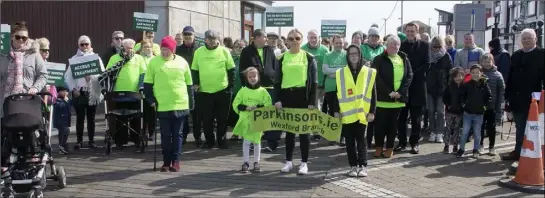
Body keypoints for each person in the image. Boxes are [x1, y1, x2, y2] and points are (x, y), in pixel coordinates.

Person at [0, 21, 48, 166]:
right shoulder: (2, 55)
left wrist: (35, 87)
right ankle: (5, 162)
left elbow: (43, 75)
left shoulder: (34, 55)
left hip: (27, 99)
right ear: (12, 37)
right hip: (6, 100)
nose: (21, 40)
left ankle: (31, 158)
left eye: (24, 38)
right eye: (18, 37)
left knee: (29, 130)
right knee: (5, 133)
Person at [144, 36, 193, 172]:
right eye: (162, 49)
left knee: (177, 134)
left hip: (180, 104)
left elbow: (189, 84)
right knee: (165, 135)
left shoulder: (182, 62)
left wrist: (191, 102)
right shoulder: (154, 63)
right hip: (162, 105)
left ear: (173, 50)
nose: (164, 52)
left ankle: (175, 161)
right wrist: (151, 100)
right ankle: (166, 161)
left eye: (167, 50)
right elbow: (147, 85)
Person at [274, 28, 317, 175]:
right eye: (291, 39)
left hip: (303, 97)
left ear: (302, 40)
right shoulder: (281, 58)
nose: (294, 41)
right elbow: (277, 81)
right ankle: (289, 162)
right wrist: (277, 99)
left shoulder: (309, 57)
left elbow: (314, 83)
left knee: (304, 133)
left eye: (297, 38)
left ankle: (304, 163)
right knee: (290, 132)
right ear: (287, 41)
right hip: (287, 96)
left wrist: (312, 102)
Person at [332, 44, 376, 177]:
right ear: (347, 56)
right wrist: (335, 110)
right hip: (347, 113)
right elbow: (336, 93)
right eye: (351, 54)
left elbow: (373, 93)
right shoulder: (341, 73)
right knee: (349, 142)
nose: (353, 56)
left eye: (356, 53)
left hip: (363, 113)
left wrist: (372, 111)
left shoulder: (368, 72)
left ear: (360, 54)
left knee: (361, 141)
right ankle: (353, 166)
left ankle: (363, 166)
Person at [502, 28, 545, 161]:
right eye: (524, 38)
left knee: (535, 128)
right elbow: (510, 77)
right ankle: (519, 152)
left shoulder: (542, 54)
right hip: (517, 99)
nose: (526, 40)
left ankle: (535, 154)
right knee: (520, 127)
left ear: (535, 39)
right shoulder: (515, 55)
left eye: (529, 38)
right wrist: (507, 97)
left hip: (535, 100)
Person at [191, 30, 235, 149]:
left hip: (222, 90)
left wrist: (230, 87)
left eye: (214, 38)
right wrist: (196, 83)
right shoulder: (199, 52)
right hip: (204, 91)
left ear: (218, 39)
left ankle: (221, 140)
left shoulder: (224, 51)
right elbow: (194, 70)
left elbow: (231, 70)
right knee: (207, 119)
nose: (211, 41)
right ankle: (209, 141)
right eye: (209, 38)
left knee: (222, 118)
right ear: (205, 39)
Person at [371, 35, 413, 158]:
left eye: (397, 44)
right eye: (392, 44)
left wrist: (400, 91)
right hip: (382, 99)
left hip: (398, 100)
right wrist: (389, 91)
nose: (395, 46)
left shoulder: (403, 58)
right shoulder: (379, 59)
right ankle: (379, 147)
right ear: (386, 45)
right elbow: (376, 77)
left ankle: (389, 148)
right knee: (380, 125)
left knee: (392, 126)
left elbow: (409, 75)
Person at [239, 29, 280, 151]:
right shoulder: (246, 51)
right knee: (255, 115)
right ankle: (252, 141)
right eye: (265, 37)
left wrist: (274, 79)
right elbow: (242, 70)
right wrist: (247, 87)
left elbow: (275, 66)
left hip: (270, 88)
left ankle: (271, 143)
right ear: (256, 38)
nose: (267, 39)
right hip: (254, 89)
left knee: (271, 116)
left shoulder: (269, 50)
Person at [103, 38, 147, 148]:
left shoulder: (139, 58)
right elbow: (108, 73)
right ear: (123, 48)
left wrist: (141, 86)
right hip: (118, 93)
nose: (130, 50)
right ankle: (120, 140)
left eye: (132, 48)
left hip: (134, 93)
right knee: (119, 117)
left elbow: (143, 74)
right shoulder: (114, 58)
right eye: (128, 48)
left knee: (136, 116)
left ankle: (136, 138)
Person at [63, 35, 104, 150]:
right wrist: (73, 89)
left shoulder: (96, 58)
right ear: (78, 45)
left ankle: (91, 141)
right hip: (79, 92)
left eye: (87, 44)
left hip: (92, 91)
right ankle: (79, 141)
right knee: (80, 118)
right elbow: (68, 77)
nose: (85, 46)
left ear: (91, 45)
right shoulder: (74, 59)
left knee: (91, 118)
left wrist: (92, 78)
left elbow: (102, 74)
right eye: (82, 44)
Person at [395, 22, 430, 154]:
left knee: (416, 118)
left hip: (418, 86)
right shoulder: (401, 46)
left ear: (417, 31)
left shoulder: (425, 45)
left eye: (412, 31)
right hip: (403, 87)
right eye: (408, 31)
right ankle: (402, 142)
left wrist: (412, 74)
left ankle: (414, 143)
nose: (410, 33)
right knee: (401, 117)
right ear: (405, 31)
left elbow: (427, 64)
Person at [232, 67, 271, 173]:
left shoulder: (263, 91)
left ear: (258, 76)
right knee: (246, 141)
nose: (252, 78)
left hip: (258, 120)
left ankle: (256, 162)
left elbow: (268, 104)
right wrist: (246, 108)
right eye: (250, 77)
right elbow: (236, 104)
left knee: (257, 141)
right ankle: (246, 162)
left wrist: (257, 107)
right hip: (246, 120)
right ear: (246, 78)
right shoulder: (243, 91)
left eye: (254, 76)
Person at [175, 26, 203, 146]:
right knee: (184, 113)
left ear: (194, 36)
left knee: (196, 114)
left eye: (189, 34)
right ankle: (184, 135)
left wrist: (198, 82)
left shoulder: (199, 49)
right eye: (185, 34)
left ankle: (197, 136)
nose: (187, 37)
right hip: (182, 85)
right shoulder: (178, 50)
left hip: (196, 85)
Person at [457, 64, 491, 158]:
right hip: (468, 113)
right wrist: (464, 105)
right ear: (470, 73)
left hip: (479, 114)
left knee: (477, 132)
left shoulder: (485, 85)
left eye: (477, 72)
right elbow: (461, 96)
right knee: (465, 132)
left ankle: (475, 149)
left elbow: (489, 97)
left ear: (481, 73)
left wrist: (484, 107)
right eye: (473, 72)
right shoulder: (466, 85)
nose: (475, 74)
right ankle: (461, 149)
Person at [301, 29, 329, 142]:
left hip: (323, 84)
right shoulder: (302, 49)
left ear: (319, 38)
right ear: (307, 38)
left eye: (315, 37)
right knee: (312, 108)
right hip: (308, 85)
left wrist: (326, 85)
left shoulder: (325, 49)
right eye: (311, 37)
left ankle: (318, 130)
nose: (313, 39)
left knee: (321, 108)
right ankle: (315, 131)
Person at [426, 36, 452, 143]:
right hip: (429, 88)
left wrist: (448, 86)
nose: (436, 49)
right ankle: (432, 131)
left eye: (439, 46)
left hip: (442, 88)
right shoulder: (428, 56)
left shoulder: (446, 56)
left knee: (441, 112)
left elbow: (450, 72)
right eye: (434, 47)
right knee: (431, 111)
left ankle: (440, 133)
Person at [322, 34, 347, 145]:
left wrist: (333, 72)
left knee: (343, 112)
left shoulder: (347, 54)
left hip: (344, 87)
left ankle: (342, 136)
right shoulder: (328, 55)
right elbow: (325, 70)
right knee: (332, 112)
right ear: (333, 43)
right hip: (331, 87)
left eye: (341, 43)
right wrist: (340, 71)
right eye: (337, 43)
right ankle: (332, 135)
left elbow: (348, 70)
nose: (339, 45)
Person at [479, 53, 505, 156]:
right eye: (484, 61)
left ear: (492, 62)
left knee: (491, 128)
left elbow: (501, 93)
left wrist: (499, 109)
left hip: (492, 107)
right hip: (480, 107)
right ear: (481, 62)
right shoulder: (478, 74)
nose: (486, 63)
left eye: (489, 61)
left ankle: (492, 147)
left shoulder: (498, 75)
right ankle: (480, 145)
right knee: (479, 127)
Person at [136, 39, 156, 141]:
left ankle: (151, 132)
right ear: (141, 48)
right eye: (145, 47)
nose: (147, 49)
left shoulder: (156, 59)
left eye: (149, 47)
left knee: (151, 113)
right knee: (142, 112)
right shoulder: (138, 58)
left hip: (153, 89)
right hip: (141, 89)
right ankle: (143, 132)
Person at [227, 39, 248, 140]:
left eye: (241, 47)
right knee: (234, 113)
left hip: (243, 89)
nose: (239, 49)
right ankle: (235, 133)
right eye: (236, 46)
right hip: (232, 89)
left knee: (243, 113)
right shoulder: (229, 58)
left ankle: (244, 133)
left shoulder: (247, 59)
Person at [442, 67, 465, 154]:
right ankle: (446, 146)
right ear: (453, 77)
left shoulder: (464, 87)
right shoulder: (449, 87)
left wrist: (463, 106)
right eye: (456, 76)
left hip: (459, 112)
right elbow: (444, 98)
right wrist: (448, 105)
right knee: (448, 128)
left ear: (463, 76)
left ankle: (455, 146)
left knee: (457, 129)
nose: (458, 78)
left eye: (460, 76)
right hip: (449, 111)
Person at [36, 37, 58, 104]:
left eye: (48, 50)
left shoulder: (48, 65)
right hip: (37, 95)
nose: (47, 52)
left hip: (49, 96)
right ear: (38, 50)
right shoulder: (34, 63)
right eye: (44, 50)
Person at [53, 87, 71, 155]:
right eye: (63, 91)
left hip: (65, 119)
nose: (65, 93)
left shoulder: (66, 100)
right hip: (60, 119)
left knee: (64, 132)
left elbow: (69, 106)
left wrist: (67, 101)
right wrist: (65, 101)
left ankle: (63, 145)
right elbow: (59, 106)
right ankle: (62, 145)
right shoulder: (57, 100)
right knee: (64, 131)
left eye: (66, 91)